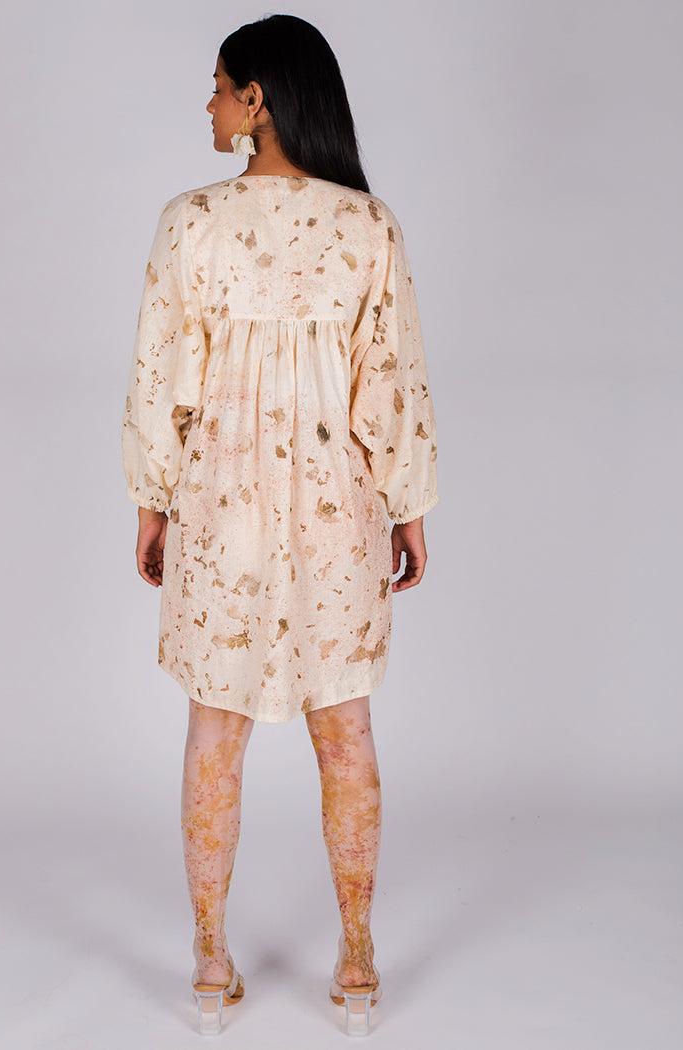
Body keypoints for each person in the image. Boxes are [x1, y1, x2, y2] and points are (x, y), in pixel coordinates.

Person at [121, 14, 438, 1036]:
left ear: (258, 100)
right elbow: (391, 384)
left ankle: (211, 968)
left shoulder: (190, 222)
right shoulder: (368, 224)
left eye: (220, 85)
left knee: (213, 732)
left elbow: (160, 378)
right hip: (341, 512)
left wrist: (152, 501)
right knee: (347, 731)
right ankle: (358, 966)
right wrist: (408, 506)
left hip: (220, 509)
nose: (209, 103)